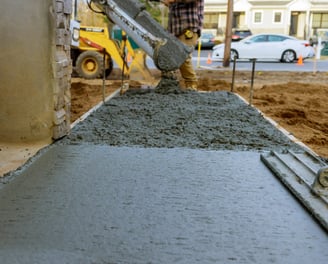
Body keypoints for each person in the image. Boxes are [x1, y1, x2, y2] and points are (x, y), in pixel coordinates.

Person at [162, 0, 204, 90]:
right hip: (174, 29)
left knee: (183, 57)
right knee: (168, 57)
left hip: (188, 28)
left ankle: (191, 86)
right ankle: (168, 85)